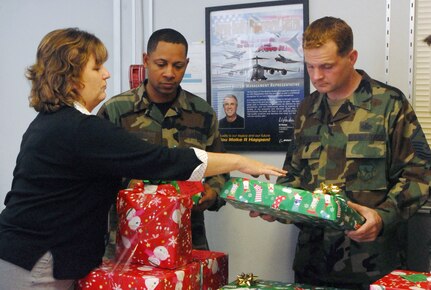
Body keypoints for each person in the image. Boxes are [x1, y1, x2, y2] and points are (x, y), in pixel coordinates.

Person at [0, 28, 286, 290]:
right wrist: (238, 162)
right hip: (38, 262)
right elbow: (160, 160)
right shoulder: (79, 128)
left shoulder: (51, 122)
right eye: (97, 67)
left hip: (33, 256)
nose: (106, 75)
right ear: (72, 76)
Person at [250, 17, 431, 289]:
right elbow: (294, 175)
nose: (316, 76)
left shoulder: (388, 104)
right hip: (312, 262)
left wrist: (383, 217)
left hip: (372, 264)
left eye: (327, 66)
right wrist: (277, 206)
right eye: (309, 66)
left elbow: (419, 174)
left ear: (352, 57)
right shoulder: (306, 109)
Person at [98, 28, 228, 255]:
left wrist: (213, 193)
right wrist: (129, 185)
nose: (169, 73)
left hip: (186, 238)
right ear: (146, 61)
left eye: (178, 66)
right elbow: (95, 173)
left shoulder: (202, 113)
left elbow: (221, 168)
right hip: (128, 240)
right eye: (161, 64)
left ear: (186, 65)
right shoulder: (116, 110)